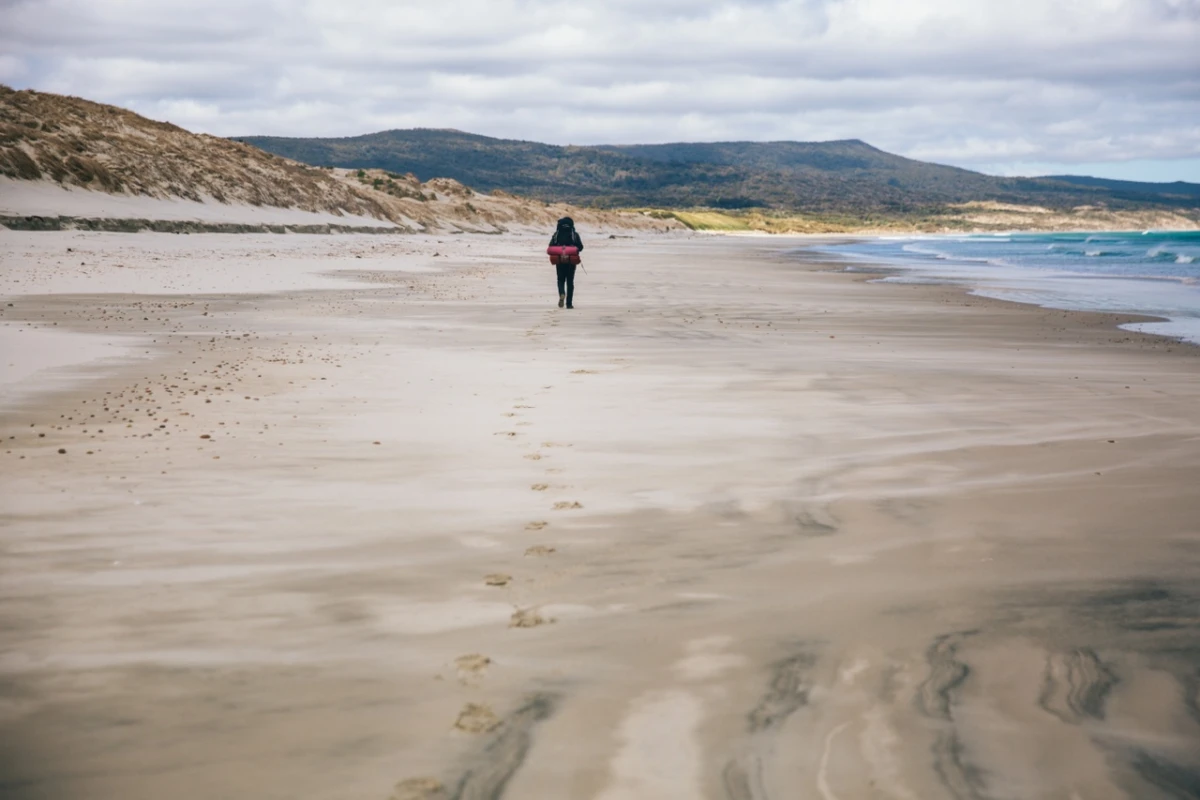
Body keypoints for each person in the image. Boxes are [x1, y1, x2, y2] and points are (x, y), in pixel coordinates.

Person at [548, 216, 583, 309]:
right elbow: (580, 247)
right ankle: (569, 304)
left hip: (559, 260)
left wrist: (560, 249)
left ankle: (562, 293)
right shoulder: (574, 234)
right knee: (570, 282)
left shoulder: (557, 234)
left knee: (560, 280)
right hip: (571, 261)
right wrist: (573, 249)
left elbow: (550, 245)